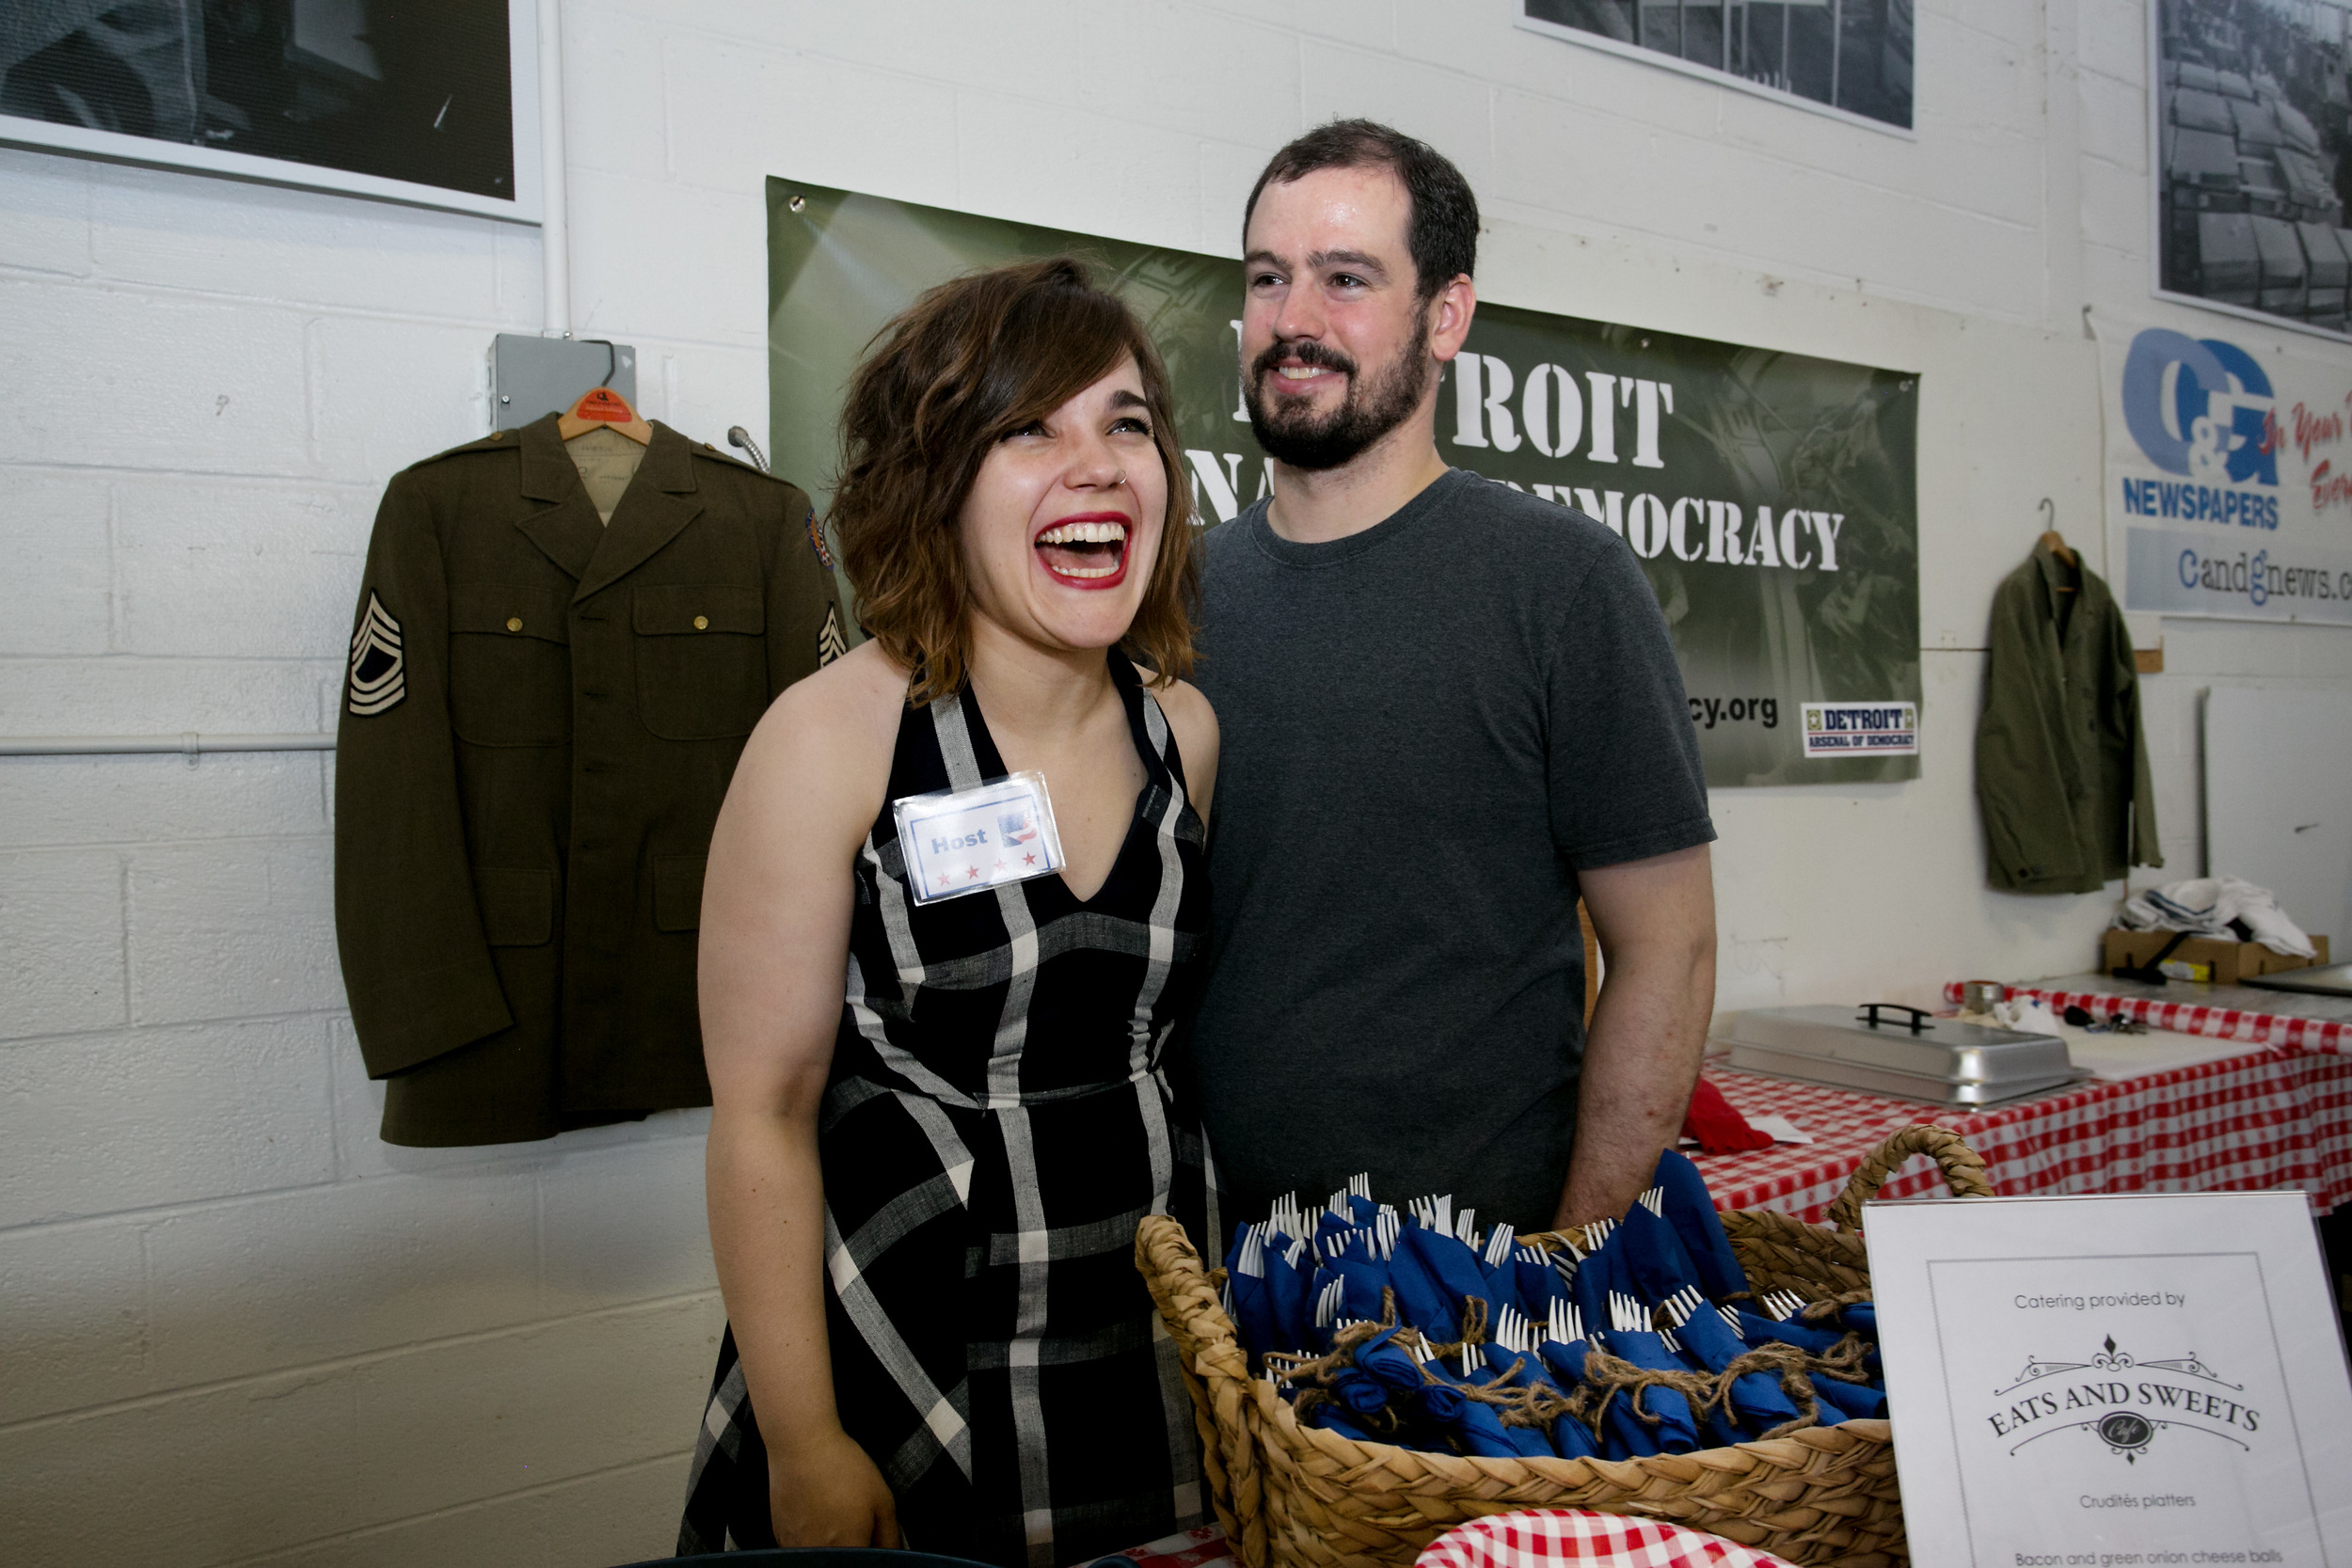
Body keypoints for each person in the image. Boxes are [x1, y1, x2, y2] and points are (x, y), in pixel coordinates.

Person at [676, 258, 1221, 1566]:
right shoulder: (835, 738)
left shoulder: (1185, 733)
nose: (1094, 462)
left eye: (1126, 422)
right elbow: (761, 1110)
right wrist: (806, 1439)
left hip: (1150, 1337)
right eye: (1029, 425)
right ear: (939, 479)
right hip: (905, 1342)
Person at [1188, 120, 1718, 1235]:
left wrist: (1572, 1259)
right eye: (1267, 278)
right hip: (1213, 1278)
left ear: (1446, 316)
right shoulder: (1175, 598)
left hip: (1480, 1298)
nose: (1292, 321)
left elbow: (1667, 947)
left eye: (1345, 280)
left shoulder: (1560, 584)